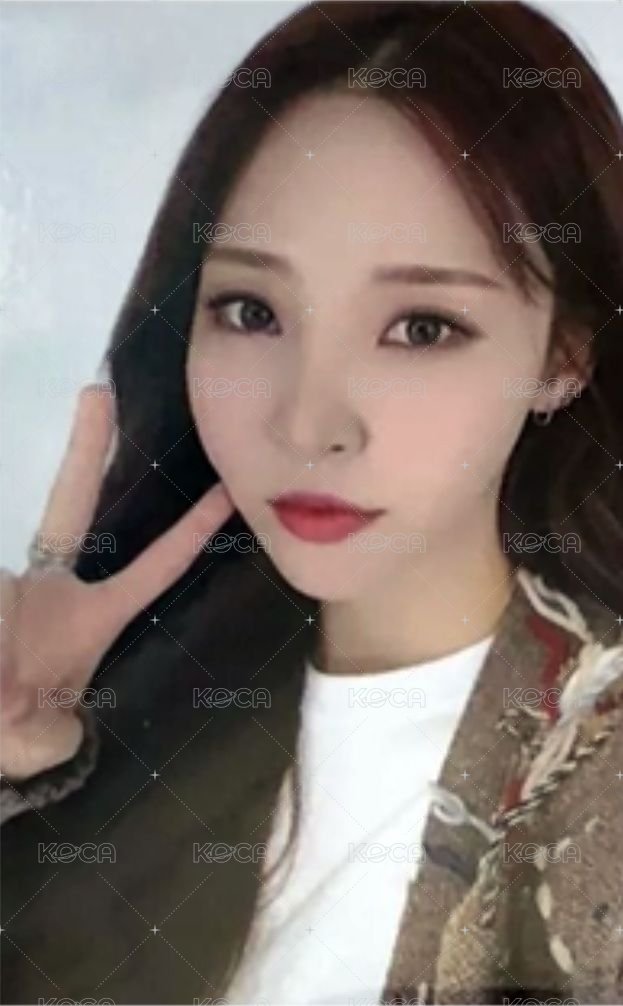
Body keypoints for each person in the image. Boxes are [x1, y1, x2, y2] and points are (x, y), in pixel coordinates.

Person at [2, 1, 623, 1003]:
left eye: (420, 327)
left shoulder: (594, 779)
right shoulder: (116, 709)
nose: (307, 424)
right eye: (251, 311)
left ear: (561, 355)